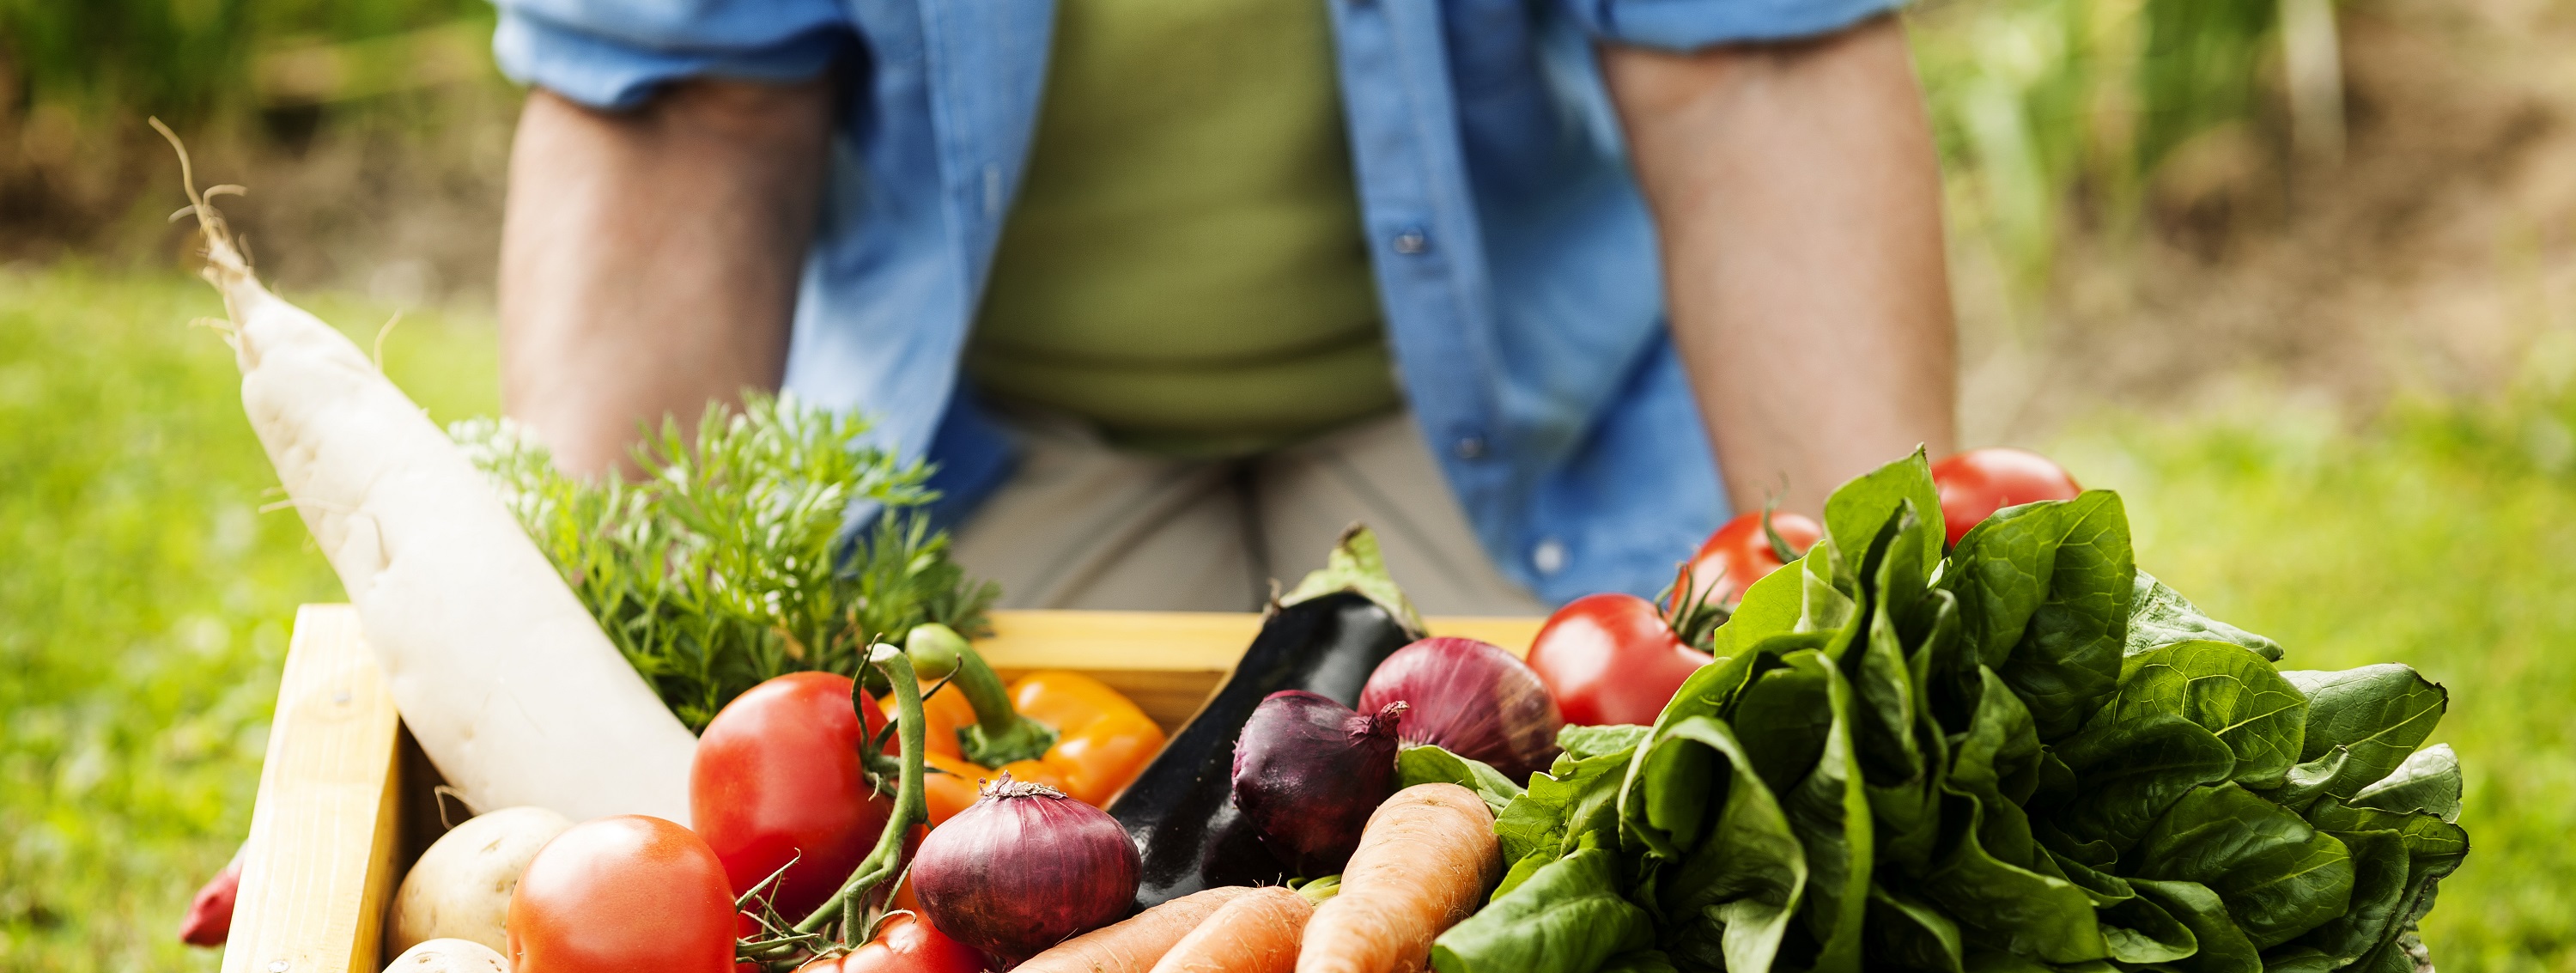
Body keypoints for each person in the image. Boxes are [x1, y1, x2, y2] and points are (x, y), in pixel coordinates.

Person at [491, 0, 1954, 615]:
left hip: (1523, 411)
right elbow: (693, 111)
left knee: (1644, 878)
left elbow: (1747, 71)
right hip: (983, 429)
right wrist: (574, 675)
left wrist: (1890, 638)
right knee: (967, 894)